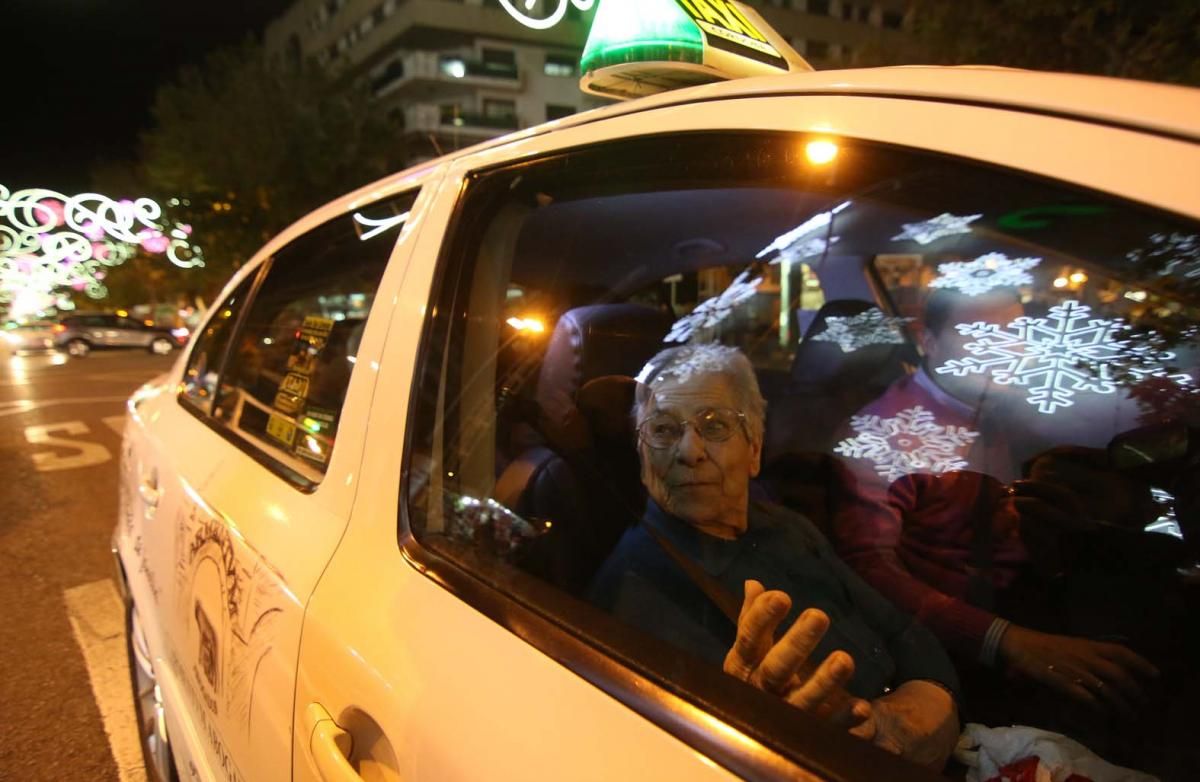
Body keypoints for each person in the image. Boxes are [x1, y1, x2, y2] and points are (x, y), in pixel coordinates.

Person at [588, 343, 961, 770]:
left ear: (755, 449)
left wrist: (917, 710)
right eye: (664, 430)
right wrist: (751, 716)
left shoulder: (783, 525)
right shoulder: (634, 595)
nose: (689, 451)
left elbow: (902, 630)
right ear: (642, 457)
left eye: (714, 426)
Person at [830, 289, 1162, 721]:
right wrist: (1010, 641)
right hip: (946, 658)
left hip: (1023, 605)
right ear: (926, 339)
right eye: (983, 332)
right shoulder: (885, 433)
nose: (1009, 348)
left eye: (1017, 331)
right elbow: (867, 568)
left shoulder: (991, 408)